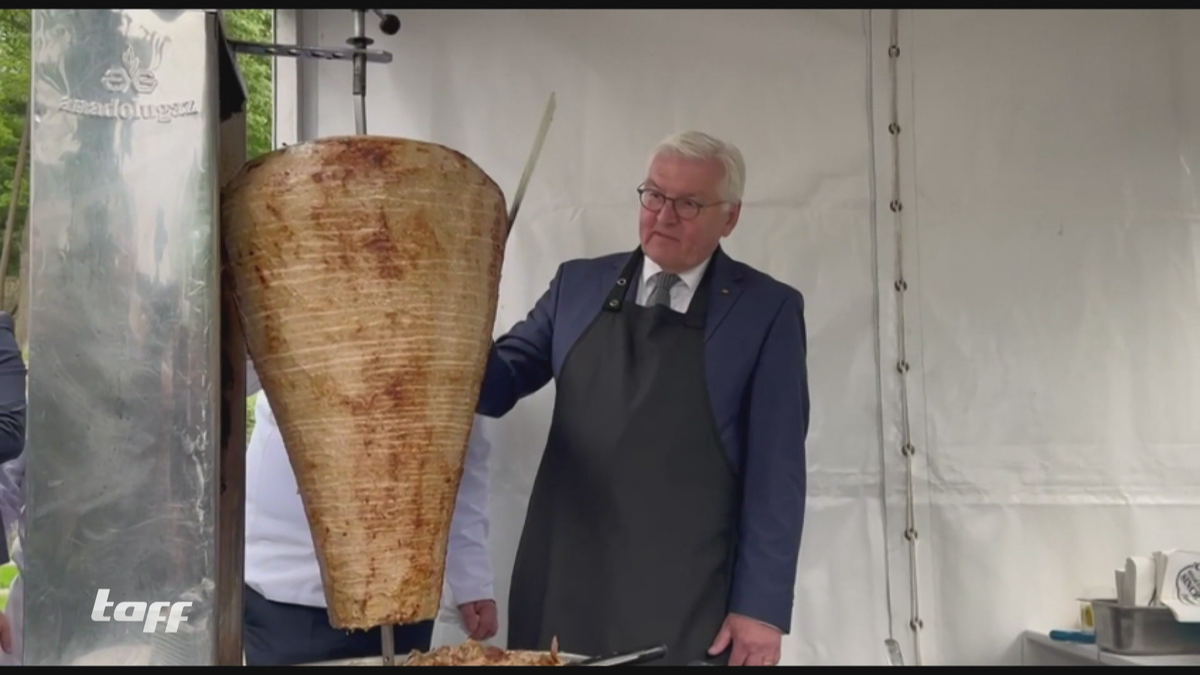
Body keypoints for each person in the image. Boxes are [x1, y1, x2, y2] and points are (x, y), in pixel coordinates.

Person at [476, 131, 810, 667]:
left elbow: (778, 472)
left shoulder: (766, 311)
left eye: (688, 203)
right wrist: (447, 329)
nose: (664, 215)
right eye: (653, 195)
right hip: (565, 574)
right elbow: (495, 386)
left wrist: (762, 610)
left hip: (685, 590)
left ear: (730, 218)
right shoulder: (578, 285)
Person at [243, 389, 499, 665]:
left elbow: (458, 447)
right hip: (295, 588)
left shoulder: (451, 353)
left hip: (407, 590)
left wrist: (471, 580)